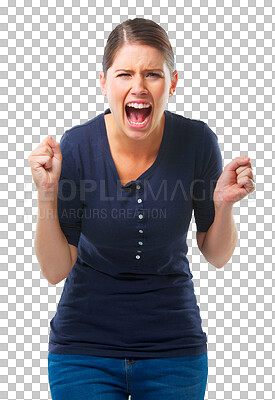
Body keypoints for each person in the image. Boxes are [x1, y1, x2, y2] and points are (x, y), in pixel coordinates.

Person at [28, 17, 255, 400]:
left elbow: (216, 256)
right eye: (124, 74)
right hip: (84, 351)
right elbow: (54, 271)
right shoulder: (78, 145)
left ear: (173, 83)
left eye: (152, 74)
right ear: (103, 83)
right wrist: (46, 195)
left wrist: (223, 207)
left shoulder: (197, 142)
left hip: (174, 351)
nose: (138, 87)